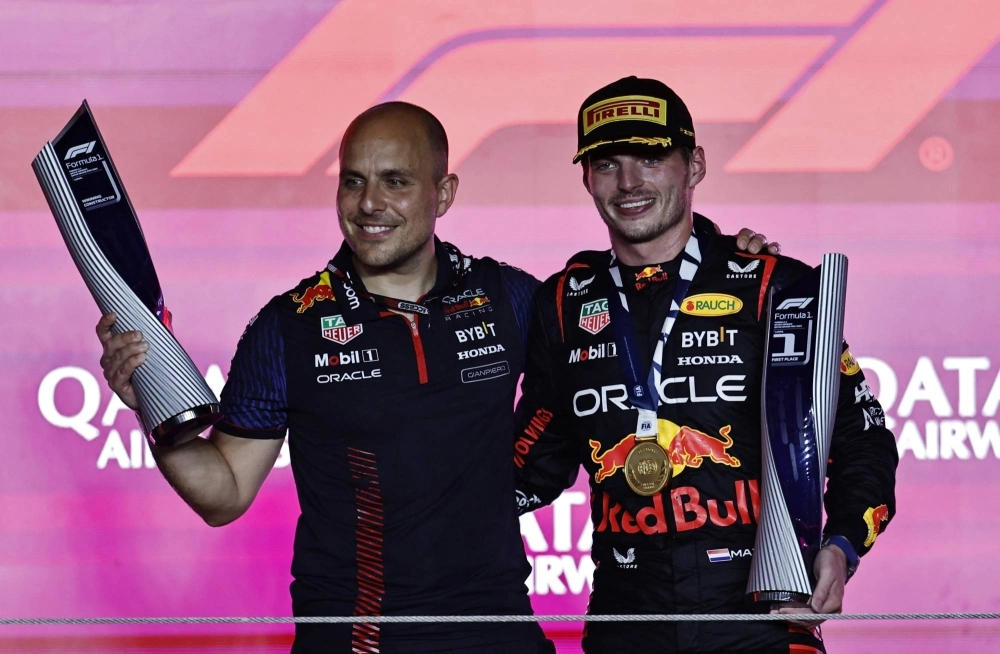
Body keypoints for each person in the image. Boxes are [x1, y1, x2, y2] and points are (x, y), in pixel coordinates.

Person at [96, 101, 778, 652]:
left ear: (443, 192)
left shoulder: (511, 297)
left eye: (395, 181)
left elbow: (628, 311)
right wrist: (152, 413)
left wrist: (728, 261)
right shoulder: (289, 325)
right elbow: (224, 494)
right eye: (354, 180)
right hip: (358, 639)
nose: (370, 204)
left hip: (500, 632)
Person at [512, 77, 898, 654]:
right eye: (607, 163)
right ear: (586, 178)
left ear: (694, 165)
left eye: (650, 157)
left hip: (763, 620)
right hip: (626, 623)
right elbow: (532, 463)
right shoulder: (563, 302)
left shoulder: (775, 285)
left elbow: (861, 439)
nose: (628, 182)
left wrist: (841, 547)